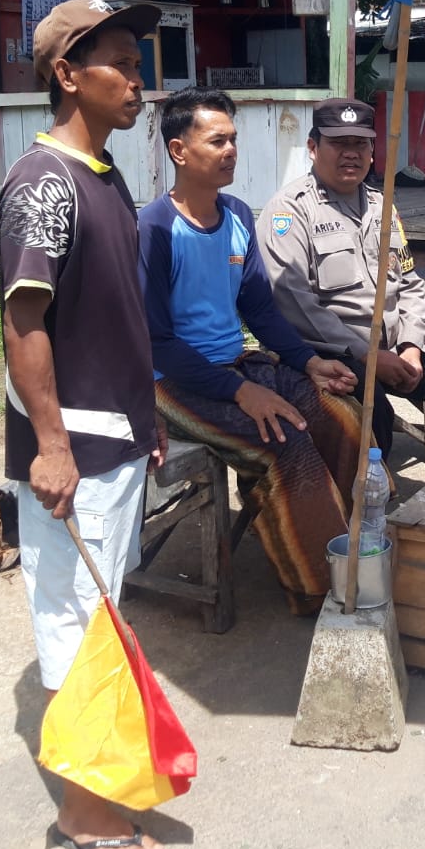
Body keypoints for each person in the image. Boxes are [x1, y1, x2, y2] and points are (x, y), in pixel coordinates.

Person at [0, 0, 170, 849]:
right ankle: (86, 814)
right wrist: (50, 445)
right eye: (121, 63)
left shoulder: (103, 174)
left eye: (138, 62)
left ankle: (99, 784)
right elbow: (25, 326)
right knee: (75, 620)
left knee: (103, 611)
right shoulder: (44, 183)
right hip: (77, 449)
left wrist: (149, 422)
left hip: (120, 436)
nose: (138, 79)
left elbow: (114, 316)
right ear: (68, 74)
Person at [138, 88, 363, 615]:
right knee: (286, 443)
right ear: (179, 151)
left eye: (234, 139)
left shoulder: (237, 213)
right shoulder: (154, 228)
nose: (231, 150)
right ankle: (319, 589)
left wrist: (308, 361)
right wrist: (243, 393)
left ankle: (354, 547)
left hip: (237, 366)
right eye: (217, 140)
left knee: (342, 417)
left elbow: (260, 310)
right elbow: (157, 342)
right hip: (175, 382)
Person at [257, 97, 425, 469]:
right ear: (313, 147)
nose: (350, 154)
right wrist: (367, 355)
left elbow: (411, 281)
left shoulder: (381, 206)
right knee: (372, 413)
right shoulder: (290, 210)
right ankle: (366, 498)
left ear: (372, 151)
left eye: (360, 144)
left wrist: (412, 346)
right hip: (336, 350)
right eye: (338, 144)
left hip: (396, 343)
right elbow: (293, 300)